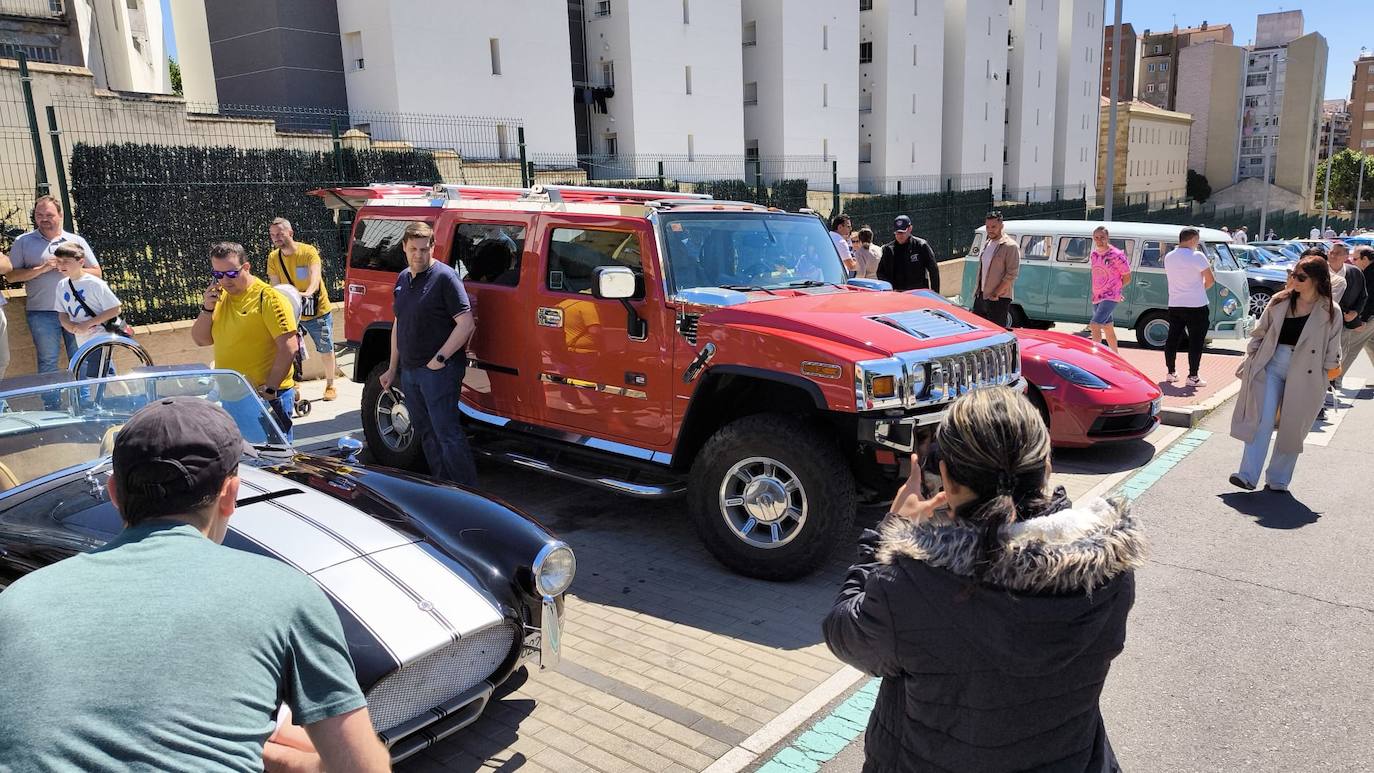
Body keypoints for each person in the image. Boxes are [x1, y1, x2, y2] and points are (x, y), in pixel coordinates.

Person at [0, 397, 390, 771]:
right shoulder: (284, 592)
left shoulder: (14, 602)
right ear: (231, 494)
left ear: (114, 493)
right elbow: (361, 768)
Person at [823, 386, 1145, 773]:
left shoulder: (911, 584)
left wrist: (889, 532)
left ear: (945, 476)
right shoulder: (1109, 569)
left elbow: (845, 633)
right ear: (1046, 466)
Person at [1229, 254, 1342, 492]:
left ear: (1317, 280)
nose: (1294, 280)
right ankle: (1247, 475)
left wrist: (1328, 377)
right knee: (1261, 420)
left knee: (1292, 427)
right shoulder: (1280, 300)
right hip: (1272, 363)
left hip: (1307, 372)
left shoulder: (1331, 310)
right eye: (1292, 275)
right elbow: (1261, 332)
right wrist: (1253, 355)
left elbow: (1333, 347)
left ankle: (1278, 479)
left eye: (1301, 277)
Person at [379, 222, 478, 487]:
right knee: (427, 434)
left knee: (447, 434)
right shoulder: (402, 279)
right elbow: (399, 324)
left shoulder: (445, 277)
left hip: (439, 373)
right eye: (413, 249)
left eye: (424, 249)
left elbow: (466, 323)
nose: (419, 255)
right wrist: (392, 368)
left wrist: (440, 359)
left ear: (433, 247)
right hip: (410, 372)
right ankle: (443, 488)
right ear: (404, 248)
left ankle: (469, 495)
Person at [191, 241, 300, 440]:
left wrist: (270, 388)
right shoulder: (220, 296)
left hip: (263, 397)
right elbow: (201, 340)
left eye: (231, 273)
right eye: (218, 274)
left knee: (273, 462)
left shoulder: (268, 298)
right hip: (232, 396)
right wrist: (207, 308)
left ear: (246, 267)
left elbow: (289, 346)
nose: (224, 280)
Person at [6, 195, 101, 375]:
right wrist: (42, 268)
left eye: (49, 215)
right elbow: (11, 276)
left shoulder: (76, 241)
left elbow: (97, 272)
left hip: (76, 311)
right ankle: (51, 403)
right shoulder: (23, 242)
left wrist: (71, 268)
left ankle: (84, 401)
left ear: (60, 215)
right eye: (39, 215)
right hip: (42, 312)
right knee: (47, 360)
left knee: (80, 357)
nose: (43, 219)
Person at [265, 217, 340, 402]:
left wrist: (307, 293)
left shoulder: (308, 252)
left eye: (280, 234)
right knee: (289, 349)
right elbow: (275, 286)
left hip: (317, 309)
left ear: (290, 233)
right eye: (273, 235)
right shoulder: (273, 258)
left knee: (325, 348)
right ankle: (293, 383)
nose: (276, 238)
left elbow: (315, 277)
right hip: (292, 311)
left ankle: (330, 384)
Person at [53, 243, 124, 378]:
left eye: (66, 261)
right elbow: (61, 313)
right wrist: (69, 326)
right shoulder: (62, 285)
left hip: (100, 336)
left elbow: (115, 309)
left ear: (81, 262)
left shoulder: (94, 283)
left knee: (98, 376)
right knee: (105, 375)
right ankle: (124, 398)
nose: (61, 265)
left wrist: (88, 323)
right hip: (82, 338)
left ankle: (114, 398)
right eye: (58, 261)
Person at [1162, 228, 1214, 387]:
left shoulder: (1169, 257)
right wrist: (1198, 289)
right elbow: (1210, 280)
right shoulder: (1198, 256)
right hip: (1196, 304)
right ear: (1192, 240)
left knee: (1172, 338)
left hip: (1175, 303)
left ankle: (1171, 372)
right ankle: (1193, 376)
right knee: (1196, 341)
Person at [969, 210, 1019, 326]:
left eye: (993, 226)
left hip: (998, 299)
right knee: (978, 331)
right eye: (987, 227)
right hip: (981, 296)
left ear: (1001, 226)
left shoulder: (1010, 246)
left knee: (995, 333)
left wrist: (995, 294)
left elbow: (1012, 274)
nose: (990, 230)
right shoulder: (987, 243)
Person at [1089, 226, 1130, 353]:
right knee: (1108, 327)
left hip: (1110, 296)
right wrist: (1095, 292)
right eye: (1096, 237)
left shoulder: (1117, 255)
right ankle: (1116, 355)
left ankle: (1095, 356)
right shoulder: (1094, 254)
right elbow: (1097, 274)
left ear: (1107, 238)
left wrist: (1117, 291)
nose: (1099, 240)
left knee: (1095, 325)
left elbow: (1127, 277)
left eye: (1102, 237)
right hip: (1097, 296)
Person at [877, 215, 940, 293]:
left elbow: (933, 270)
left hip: (918, 293)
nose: (900, 235)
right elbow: (880, 272)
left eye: (902, 232)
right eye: (897, 232)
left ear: (910, 229)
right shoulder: (888, 250)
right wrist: (889, 289)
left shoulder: (921, 246)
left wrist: (935, 294)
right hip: (897, 294)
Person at [1348, 246, 1374, 371]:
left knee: (1350, 346)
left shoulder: (1369, 273)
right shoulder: (1367, 272)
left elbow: (1371, 298)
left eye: (1355, 259)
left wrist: (1362, 319)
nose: (1353, 262)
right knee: (1371, 345)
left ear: (1365, 259)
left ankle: (1335, 380)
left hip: (1370, 317)